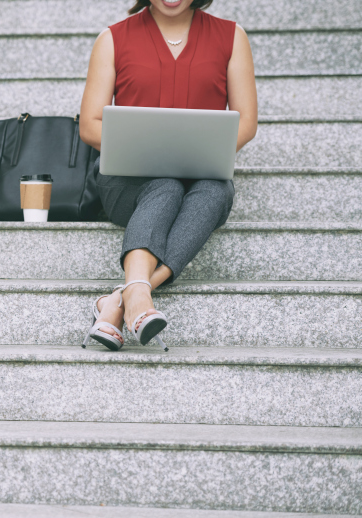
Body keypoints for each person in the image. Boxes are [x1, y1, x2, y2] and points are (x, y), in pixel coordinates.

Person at [79, 0, 258, 350]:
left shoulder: (231, 36)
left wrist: (198, 156)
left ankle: (123, 298)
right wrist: (148, 153)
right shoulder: (113, 39)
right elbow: (89, 125)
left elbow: (246, 122)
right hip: (126, 181)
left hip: (201, 177)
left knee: (215, 192)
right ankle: (137, 298)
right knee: (165, 185)